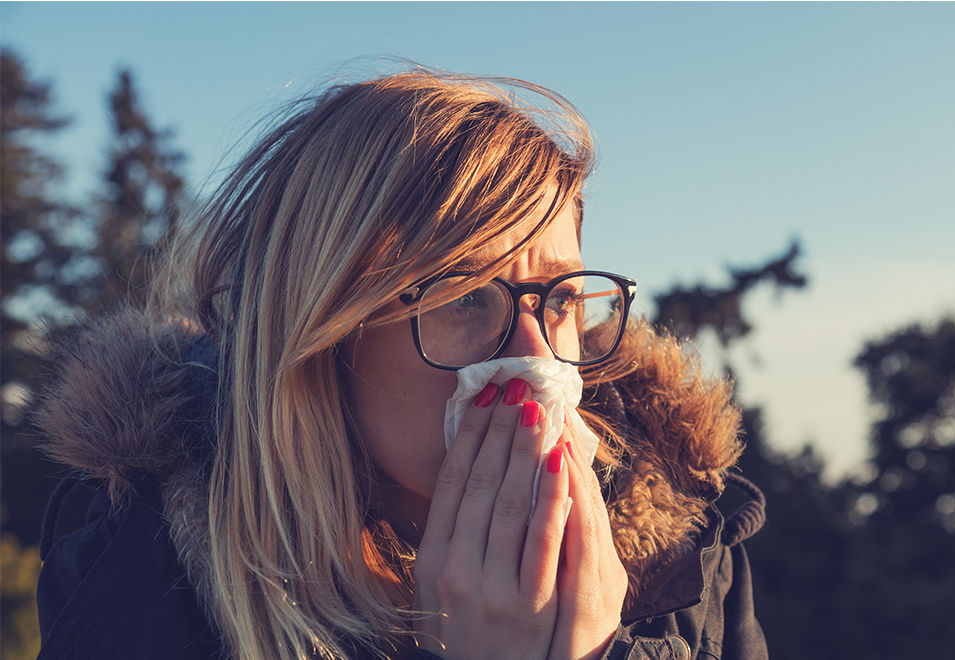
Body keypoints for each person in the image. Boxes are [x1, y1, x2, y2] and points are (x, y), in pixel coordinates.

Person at [33, 69, 768, 659]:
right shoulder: (138, 590)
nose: (535, 361)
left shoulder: (686, 556)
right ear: (321, 336)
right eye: (466, 297)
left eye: (563, 300)